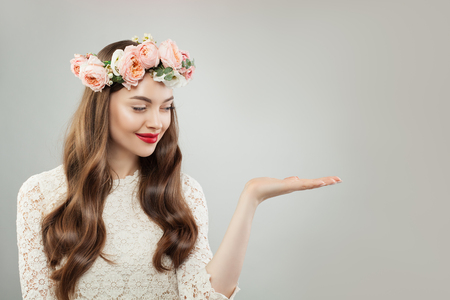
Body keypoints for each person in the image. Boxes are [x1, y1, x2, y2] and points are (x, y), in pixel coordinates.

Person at [16, 33, 342, 300]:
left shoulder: (183, 192)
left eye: (166, 107)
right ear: (102, 108)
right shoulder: (39, 194)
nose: (156, 122)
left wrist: (251, 198)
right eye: (139, 107)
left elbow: (203, 296)